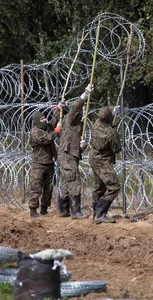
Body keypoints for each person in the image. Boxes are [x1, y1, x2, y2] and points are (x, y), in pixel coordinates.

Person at [57, 84, 93, 219]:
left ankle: (63, 209)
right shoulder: (70, 120)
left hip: (71, 154)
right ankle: (76, 212)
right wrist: (84, 95)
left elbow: (75, 144)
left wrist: (82, 146)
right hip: (67, 155)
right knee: (74, 181)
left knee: (67, 183)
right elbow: (75, 107)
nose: (80, 113)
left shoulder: (77, 124)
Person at [89, 106, 121, 224]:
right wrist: (115, 131)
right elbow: (117, 149)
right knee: (114, 186)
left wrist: (112, 112)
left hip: (93, 159)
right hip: (103, 161)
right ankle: (101, 213)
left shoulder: (96, 124)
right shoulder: (111, 133)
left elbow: (105, 122)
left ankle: (95, 215)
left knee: (99, 187)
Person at [27, 109, 61, 218]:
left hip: (49, 163)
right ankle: (33, 210)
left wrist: (58, 110)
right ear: (37, 121)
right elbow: (47, 139)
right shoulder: (36, 132)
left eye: (44, 117)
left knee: (48, 188)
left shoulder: (46, 127)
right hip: (39, 164)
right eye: (42, 118)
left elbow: (53, 122)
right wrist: (56, 131)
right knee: (36, 187)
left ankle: (44, 209)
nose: (44, 119)